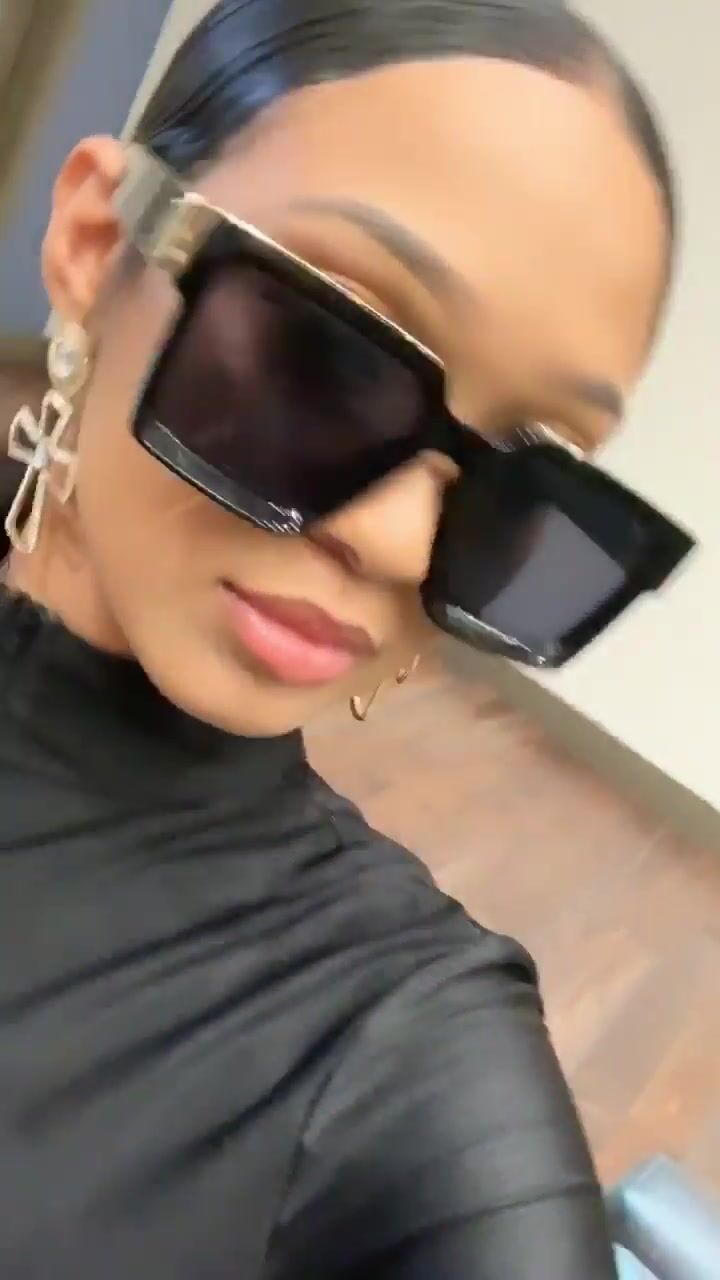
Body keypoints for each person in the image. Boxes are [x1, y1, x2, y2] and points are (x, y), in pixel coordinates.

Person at [0, 1, 689, 1276]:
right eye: (326, 354)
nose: (401, 543)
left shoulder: (406, 1047)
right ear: (98, 243)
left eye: (522, 483)